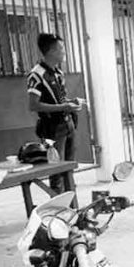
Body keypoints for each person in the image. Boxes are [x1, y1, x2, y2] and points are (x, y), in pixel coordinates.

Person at [26, 33, 83, 193]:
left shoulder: (58, 73)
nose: (64, 51)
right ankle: (59, 208)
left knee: (69, 167)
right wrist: (63, 107)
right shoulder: (36, 75)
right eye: (61, 48)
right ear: (51, 51)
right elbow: (33, 105)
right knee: (56, 171)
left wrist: (72, 103)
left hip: (68, 124)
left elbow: (61, 99)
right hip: (52, 129)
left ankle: (72, 203)